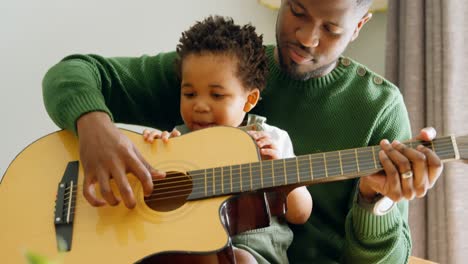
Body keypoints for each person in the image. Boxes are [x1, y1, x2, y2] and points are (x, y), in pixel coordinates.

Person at [42, 0, 443, 263]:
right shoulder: (223, 67)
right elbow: (71, 73)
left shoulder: (379, 108)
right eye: (298, 11)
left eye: (331, 29)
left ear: (359, 26)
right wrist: (95, 127)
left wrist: (376, 202)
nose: (306, 37)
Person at [141, 16, 312, 263]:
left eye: (217, 95)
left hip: (254, 252)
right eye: (189, 93)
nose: (199, 105)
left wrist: (279, 172)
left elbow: (301, 214)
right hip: (191, 250)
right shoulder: (178, 139)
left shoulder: (269, 139)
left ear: (249, 99)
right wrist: (151, 153)